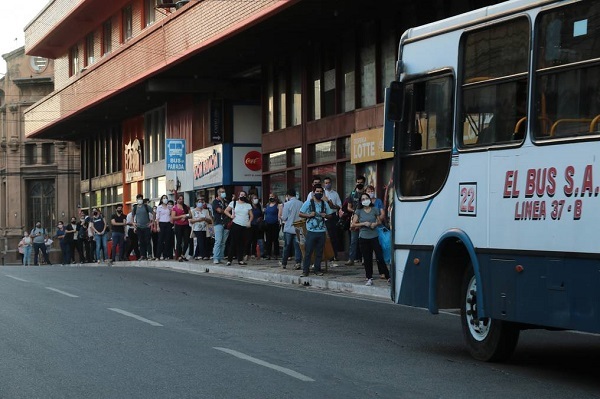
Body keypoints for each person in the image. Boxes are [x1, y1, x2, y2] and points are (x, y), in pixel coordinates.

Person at [351, 192, 390, 286]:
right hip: (363, 237)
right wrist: (363, 224)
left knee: (380, 256)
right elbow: (353, 224)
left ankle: (388, 276)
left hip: (374, 236)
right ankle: (369, 277)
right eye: (363, 199)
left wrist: (375, 224)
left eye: (366, 198)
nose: (365, 200)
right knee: (367, 258)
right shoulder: (359, 211)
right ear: (361, 201)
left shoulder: (374, 209)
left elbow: (379, 221)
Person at [298, 184, 334, 277]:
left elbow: (331, 215)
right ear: (314, 192)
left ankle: (317, 269)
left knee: (319, 252)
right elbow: (300, 214)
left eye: (321, 192)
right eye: (317, 191)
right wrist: (309, 215)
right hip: (311, 231)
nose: (319, 193)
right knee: (308, 251)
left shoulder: (324, 203)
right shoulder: (308, 203)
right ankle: (305, 270)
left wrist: (325, 215)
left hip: (321, 231)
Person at [224, 190, 253, 266]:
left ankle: (240, 259)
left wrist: (249, 222)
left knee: (242, 243)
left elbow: (251, 215)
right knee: (233, 242)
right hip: (236, 224)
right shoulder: (234, 203)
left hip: (244, 225)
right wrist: (231, 216)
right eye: (241, 194)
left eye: (244, 195)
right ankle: (229, 259)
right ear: (238, 195)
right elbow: (226, 211)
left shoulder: (247, 205)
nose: (242, 196)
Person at [280, 188, 303, 270]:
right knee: (298, 247)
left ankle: (284, 263)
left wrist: (280, 215)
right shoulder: (301, 203)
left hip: (289, 228)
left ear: (288, 195)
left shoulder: (286, 204)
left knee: (286, 246)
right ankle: (298, 262)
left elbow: (284, 217)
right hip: (298, 228)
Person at [345, 176, 366, 266]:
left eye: (361, 182)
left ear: (364, 183)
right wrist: (355, 211)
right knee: (353, 240)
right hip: (355, 220)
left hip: (365, 219)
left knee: (364, 240)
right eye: (358, 182)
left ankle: (364, 259)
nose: (359, 184)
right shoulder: (353, 194)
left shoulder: (366, 193)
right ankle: (351, 259)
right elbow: (348, 207)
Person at [323, 176, 342, 260]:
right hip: (322, 216)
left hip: (332, 216)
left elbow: (339, 206)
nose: (327, 184)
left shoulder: (335, 193)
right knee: (324, 237)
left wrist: (332, 205)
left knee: (333, 237)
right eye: (326, 183)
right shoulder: (322, 193)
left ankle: (334, 255)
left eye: (329, 183)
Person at [211, 187, 230, 264]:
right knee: (218, 241)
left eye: (224, 191)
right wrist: (226, 211)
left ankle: (221, 257)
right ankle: (216, 257)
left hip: (226, 223)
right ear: (218, 193)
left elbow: (230, 209)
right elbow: (219, 210)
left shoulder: (226, 202)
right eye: (221, 192)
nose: (223, 193)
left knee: (223, 242)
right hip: (218, 223)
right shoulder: (215, 202)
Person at [171, 193, 192, 262]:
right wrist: (181, 216)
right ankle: (179, 256)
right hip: (178, 225)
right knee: (179, 241)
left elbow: (190, 215)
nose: (181, 200)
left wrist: (186, 216)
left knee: (186, 241)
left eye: (182, 199)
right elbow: (173, 217)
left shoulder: (186, 207)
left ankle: (183, 254)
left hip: (185, 225)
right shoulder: (175, 208)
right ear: (177, 200)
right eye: (179, 199)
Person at [133, 194, 154, 261]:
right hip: (139, 227)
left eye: (141, 199)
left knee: (148, 241)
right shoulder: (135, 208)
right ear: (136, 200)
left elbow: (153, 213)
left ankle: (150, 254)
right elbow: (133, 216)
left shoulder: (146, 206)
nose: (140, 200)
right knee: (141, 242)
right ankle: (143, 255)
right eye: (138, 199)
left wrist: (152, 222)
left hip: (146, 227)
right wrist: (134, 224)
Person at [263, 193, 282, 260]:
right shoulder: (267, 205)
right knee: (268, 239)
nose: (271, 198)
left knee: (275, 239)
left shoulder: (278, 205)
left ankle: (276, 254)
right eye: (270, 196)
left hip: (275, 223)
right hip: (268, 224)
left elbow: (280, 214)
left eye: (272, 196)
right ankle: (268, 254)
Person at [155, 194, 174, 260]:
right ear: (161, 199)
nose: (165, 199)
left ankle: (166, 255)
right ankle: (158, 255)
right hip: (161, 223)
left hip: (168, 223)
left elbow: (171, 215)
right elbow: (157, 217)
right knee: (160, 240)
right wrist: (157, 226)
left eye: (166, 198)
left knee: (167, 240)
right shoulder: (159, 207)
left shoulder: (169, 207)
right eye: (164, 198)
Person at [248, 194, 264, 260]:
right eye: (254, 198)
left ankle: (254, 253)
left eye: (256, 198)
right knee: (250, 239)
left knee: (255, 239)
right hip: (251, 224)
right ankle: (248, 253)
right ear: (251, 200)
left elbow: (261, 214)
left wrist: (260, 218)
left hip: (258, 225)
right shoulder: (249, 206)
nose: (256, 199)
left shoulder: (259, 206)